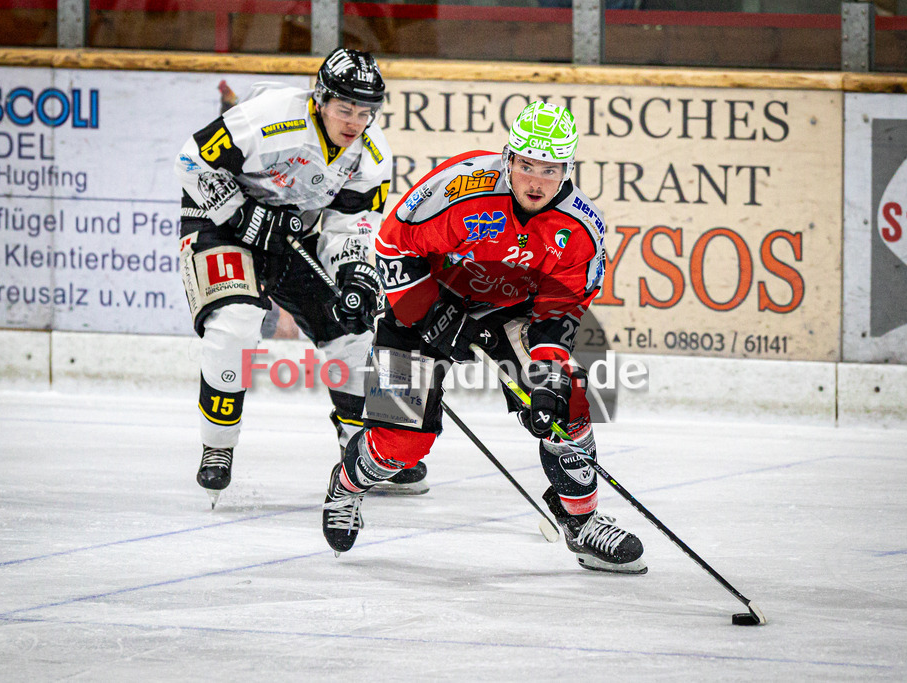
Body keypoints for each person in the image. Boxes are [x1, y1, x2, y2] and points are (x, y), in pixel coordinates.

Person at [320, 101, 646, 574]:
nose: (536, 182)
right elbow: (393, 242)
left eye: (550, 170)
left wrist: (548, 373)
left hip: (507, 312)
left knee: (567, 402)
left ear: (568, 170)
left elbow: (560, 308)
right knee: (399, 443)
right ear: (508, 157)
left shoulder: (580, 228)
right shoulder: (461, 188)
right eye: (527, 165)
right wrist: (426, 312)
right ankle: (347, 487)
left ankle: (581, 522)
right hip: (427, 301)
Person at [175, 48, 428, 506]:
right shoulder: (270, 116)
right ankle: (218, 446)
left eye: (365, 112)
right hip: (221, 224)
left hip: (294, 233)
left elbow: (352, 225)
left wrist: (355, 275)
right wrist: (245, 215)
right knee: (235, 322)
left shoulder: (372, 153)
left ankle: (368, 452)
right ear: (321, 98)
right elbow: (192, 160)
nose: (355, 122)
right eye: (345, 108)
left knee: (356, 329)